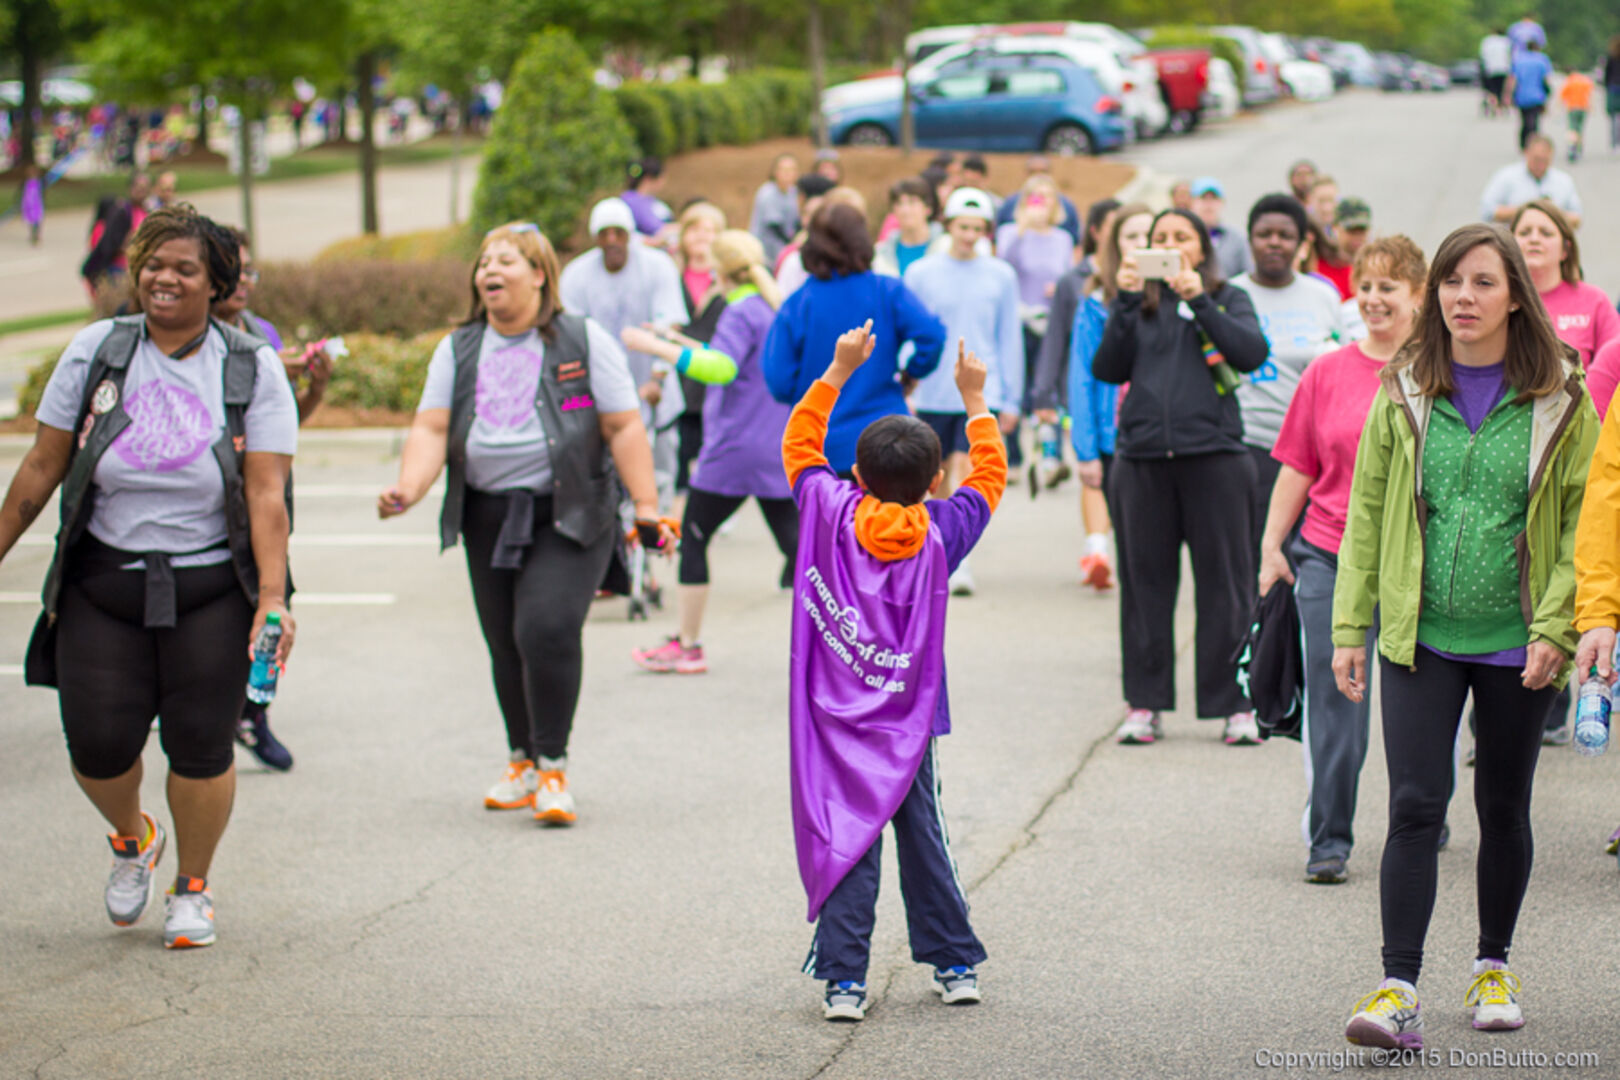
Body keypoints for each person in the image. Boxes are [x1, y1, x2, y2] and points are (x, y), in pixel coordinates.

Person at [0, 205, 299, 949]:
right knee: (96, 746)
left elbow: (266, 492)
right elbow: (43, 465)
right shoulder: (97, 350)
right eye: (153, 265)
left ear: (216, 283)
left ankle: (192, 889)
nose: (164, 279)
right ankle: (133, 839)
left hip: (209, 588)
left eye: (184, 268)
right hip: (103, 580)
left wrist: (271, 600)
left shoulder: (248, 365)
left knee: (202, 745)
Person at [1333, 223, 1595, 1050]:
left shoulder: (1563, 395)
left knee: (1503, 806)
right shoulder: (1406, 385)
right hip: (1422, 636)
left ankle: (1493, 964)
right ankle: (1396, 987)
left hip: (1523, 642)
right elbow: (1368, 510)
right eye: (1451, 282)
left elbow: (1588, 519)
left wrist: (1558, 623)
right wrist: (1351, 622)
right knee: (1414, 805)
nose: (1463, 298)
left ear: (1517, 294)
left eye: (1483, 283)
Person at [378, 222, 669, 825]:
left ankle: (554, 766)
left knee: (545, 628)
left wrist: (644, 506)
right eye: (484, 261)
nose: (490, 270)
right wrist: (408, 488)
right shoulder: (458, 348)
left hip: (570, 508)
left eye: (506, 259)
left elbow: (623, 426)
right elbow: (432, 427)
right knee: (504, 640)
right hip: (486, 511)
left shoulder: (583, 340)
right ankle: (522, 760)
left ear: (539, 274)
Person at [785, 323, 1005, 1023]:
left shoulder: (826, 507)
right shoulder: (946, 528)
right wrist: (974, 399)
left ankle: (844, 980)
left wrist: (837, 370)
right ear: (935, 481)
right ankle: (953, 963)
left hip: (832, 714)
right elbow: (992, 474)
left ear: (856, 476)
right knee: (923, 835)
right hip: (911, 725)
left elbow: (798, 445)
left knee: (846, 836)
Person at [1259, 235, 1427, 885]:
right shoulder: (1327, 371)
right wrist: (1273, 546)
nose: (1375, 298)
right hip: (1328, 554)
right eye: (1367, 286)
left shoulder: (1438, 372)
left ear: (1418, 295)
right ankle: (1329, 839)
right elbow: (1299, 466)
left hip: (1416, 562)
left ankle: (1425, 815)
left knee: (1423, 711)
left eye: (1390, 286)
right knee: (1337, 706)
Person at [1092, 208, 1270, 746]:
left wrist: (1200, 300)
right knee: (1145, 590)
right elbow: (1107, 367)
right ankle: (1143, 704)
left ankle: (1236, 706)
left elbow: (1251, 353)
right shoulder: (1134, 303)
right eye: (1160, 238)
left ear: (1201, 247)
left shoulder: (1227, 296)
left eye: (1181, 237)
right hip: (1142, 461)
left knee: (1227, 587)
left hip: (1215, 457)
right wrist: (1124, 300)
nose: (1170, 245)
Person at [628, 231, 797, 674]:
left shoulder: (739, 310)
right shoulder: (768, 306)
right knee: (800, 550)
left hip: (733, 450)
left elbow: (721, 368)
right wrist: (676, 338)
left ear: (718, 271)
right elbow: (725, 356)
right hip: (773, 446)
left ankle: (687, 644)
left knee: (694, 539)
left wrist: (654, 347)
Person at [211, 225, 334, 771]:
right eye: (233, 269)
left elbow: (285, 429)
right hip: (212, 502)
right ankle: (214, 712)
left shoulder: (261, 332)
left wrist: (315, 387)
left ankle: (253, 715)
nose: (244, 280)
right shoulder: (190, 339)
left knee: (272, 602)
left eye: (249, 269)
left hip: (266, 497)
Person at [763, 203, 946, 475]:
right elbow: (932, 335)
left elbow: (778, 380)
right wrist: (912, 373)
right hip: (887, 441)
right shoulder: (887, 290)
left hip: (821, 442)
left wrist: (806, 394)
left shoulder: (798, 303)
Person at [906, 187, 1024, 596]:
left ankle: (961, 559)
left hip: (979, 392)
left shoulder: (1001, 275)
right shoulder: (921, 272)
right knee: (933, 480)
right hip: (931, 392)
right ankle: (935, 549)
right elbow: (909, 333)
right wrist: (906, 382)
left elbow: (1010, 337)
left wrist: (1012, 398)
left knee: (967, 474)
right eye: (963, 227)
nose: (970, 235)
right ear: (948, 226)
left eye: (978, 228)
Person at [1032, 202, 1151, 592]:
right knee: (1097, 481)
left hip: (1157, 431)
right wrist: (1083, 446)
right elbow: (1081, 374)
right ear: (1113, 244)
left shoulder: (1176, 300)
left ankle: (1107, 550)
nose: (1141, 244)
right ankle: (1097, 550)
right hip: (1108, 426)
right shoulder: (1093, 302)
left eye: (1149, 236)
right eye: (1131, 236)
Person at [1232, 194, 1346, 551]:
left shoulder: (1322, 294)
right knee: (1250, 559)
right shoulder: (1231, 295)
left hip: (1311, 454)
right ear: (1250, 238)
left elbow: (1340, 365)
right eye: (1265, 234)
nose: (1274, 243)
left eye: (1285, 235)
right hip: (1249, 446)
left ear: (1301, 242)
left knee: (1303, 558)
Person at [560, 197, 689, 507]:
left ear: (631, 233)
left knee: (658, 478)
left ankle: (656, 535)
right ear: (596, 238)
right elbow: (568, 335)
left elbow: (670, 324)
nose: (613, 240)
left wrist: (657, 379)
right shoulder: (577, 275)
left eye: (619, 232)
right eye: (605, 233)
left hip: (654, 391)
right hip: (603, 399)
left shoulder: (657, 266)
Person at [994, 174, 1073, 473]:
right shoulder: (1011, 233)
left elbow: (1068, 276)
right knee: (1016, 385)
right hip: (1019, 319)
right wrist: (1024, 229)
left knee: (1045, 387)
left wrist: (1059, 287)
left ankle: (1050, 455)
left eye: (1047, 196)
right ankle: (1013, 454)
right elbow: (1003, 267)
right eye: (1034, 197)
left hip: (1050, 322)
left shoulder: (1062, 239)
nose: (1041, 203)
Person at [1510, 200, 1620, 371]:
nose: (1534, 239)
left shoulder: (1594, 301)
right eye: (1524, 233)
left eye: (1546, 233)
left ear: (1565, 250)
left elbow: (1615, 366)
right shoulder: (1497, 299)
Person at [670, 201, 730, 509]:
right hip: (677, 377)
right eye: (695, 228)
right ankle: (679, 505)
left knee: (711, 446)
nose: (702, 236)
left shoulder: (726, 282)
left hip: (713, 379)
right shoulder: (669, 276)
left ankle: (713, 503)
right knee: (679, 448)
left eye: (710, 230)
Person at [1479, 134, 1582, 226]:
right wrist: (1526, 210)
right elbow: (1487, 211)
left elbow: (1577, 218)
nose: (1540, 165)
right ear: (1526, 153)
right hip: (1512, 242)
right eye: (1536, 159)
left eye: (1545, 160)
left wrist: (1552, 213)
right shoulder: (1506, 176)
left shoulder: (1563, 181)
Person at [993, 155, 1081, 245]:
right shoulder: (1009, 205)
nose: (1038, 176)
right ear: (1025, 174)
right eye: (1033, 172)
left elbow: (1075, 244)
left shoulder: (1066, 207)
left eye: (1043, 172)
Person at [872, 178, 943, 279]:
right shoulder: (881, 253)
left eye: (912, 202)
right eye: (899, 203)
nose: (905, 210)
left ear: (928, 208)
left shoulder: (946, 247)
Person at [1191, 177, 1248, 279]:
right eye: (1203, 198)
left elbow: (1247, 272)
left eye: (1214, 198)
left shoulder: (1237, 238)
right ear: (1192, 202)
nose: (1209, 204)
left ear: (1222, 203)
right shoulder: (1183, 237)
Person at [751, 152, 802, 266]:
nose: (787, 173)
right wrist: (792, 244)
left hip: (782, 251)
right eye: (783, 169)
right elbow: (774, 226)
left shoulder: (793, 192)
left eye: (791, 169)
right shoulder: (768, 193)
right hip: (765, 253)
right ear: (775, 172)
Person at [1505, 39, 1554, 150]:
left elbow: (1513, 80)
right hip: (1537, 96)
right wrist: (1548, 93)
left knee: (1524, 120)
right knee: (1534, 122)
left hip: (1522, 96)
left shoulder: (1519, 60)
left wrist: (1509, 95)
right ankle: (1532, 144)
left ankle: (1523, 143)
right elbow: (1545, 79)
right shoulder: (1542, 60)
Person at [619, 157, 674, 240]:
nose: (663, 183)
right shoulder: (632, 200)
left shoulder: (652, 201)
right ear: (648, 178)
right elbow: (655, 228)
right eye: (661, 178)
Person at [1558, 65, 1593, 163]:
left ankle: (1572, 148)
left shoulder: (1569, 81)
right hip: (1583, 107)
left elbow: (1563, 95)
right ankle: (1579, 148)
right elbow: (1589, 93)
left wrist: (1559, 107)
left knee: (1572, 129)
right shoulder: (1585, 80)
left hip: (1573, 107)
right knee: (1580, 129)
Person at [1481, 28, 1514, 114]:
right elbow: (1510, 54)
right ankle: (1501, 105)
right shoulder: (1506, 41)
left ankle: (1493, 104)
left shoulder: (1487, 41)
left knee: (1492, 89)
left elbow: (1483, 55)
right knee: (1501, 89)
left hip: (1490, 69)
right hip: (1504, 69)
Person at [20, 163, 44, 246]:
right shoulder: (26, 183)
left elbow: (39, 194)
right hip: (28, 204)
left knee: (37, 220)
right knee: (30, 221)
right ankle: (32, 235)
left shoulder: (39, 183)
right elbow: (25, 194)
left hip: (36, 204)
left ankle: (36, 235)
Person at [1606, 36, 1620, 151]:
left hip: (1613, 88)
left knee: (1613, 117)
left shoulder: (1612, 58)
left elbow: (1607, 74)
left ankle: (1614, 142)